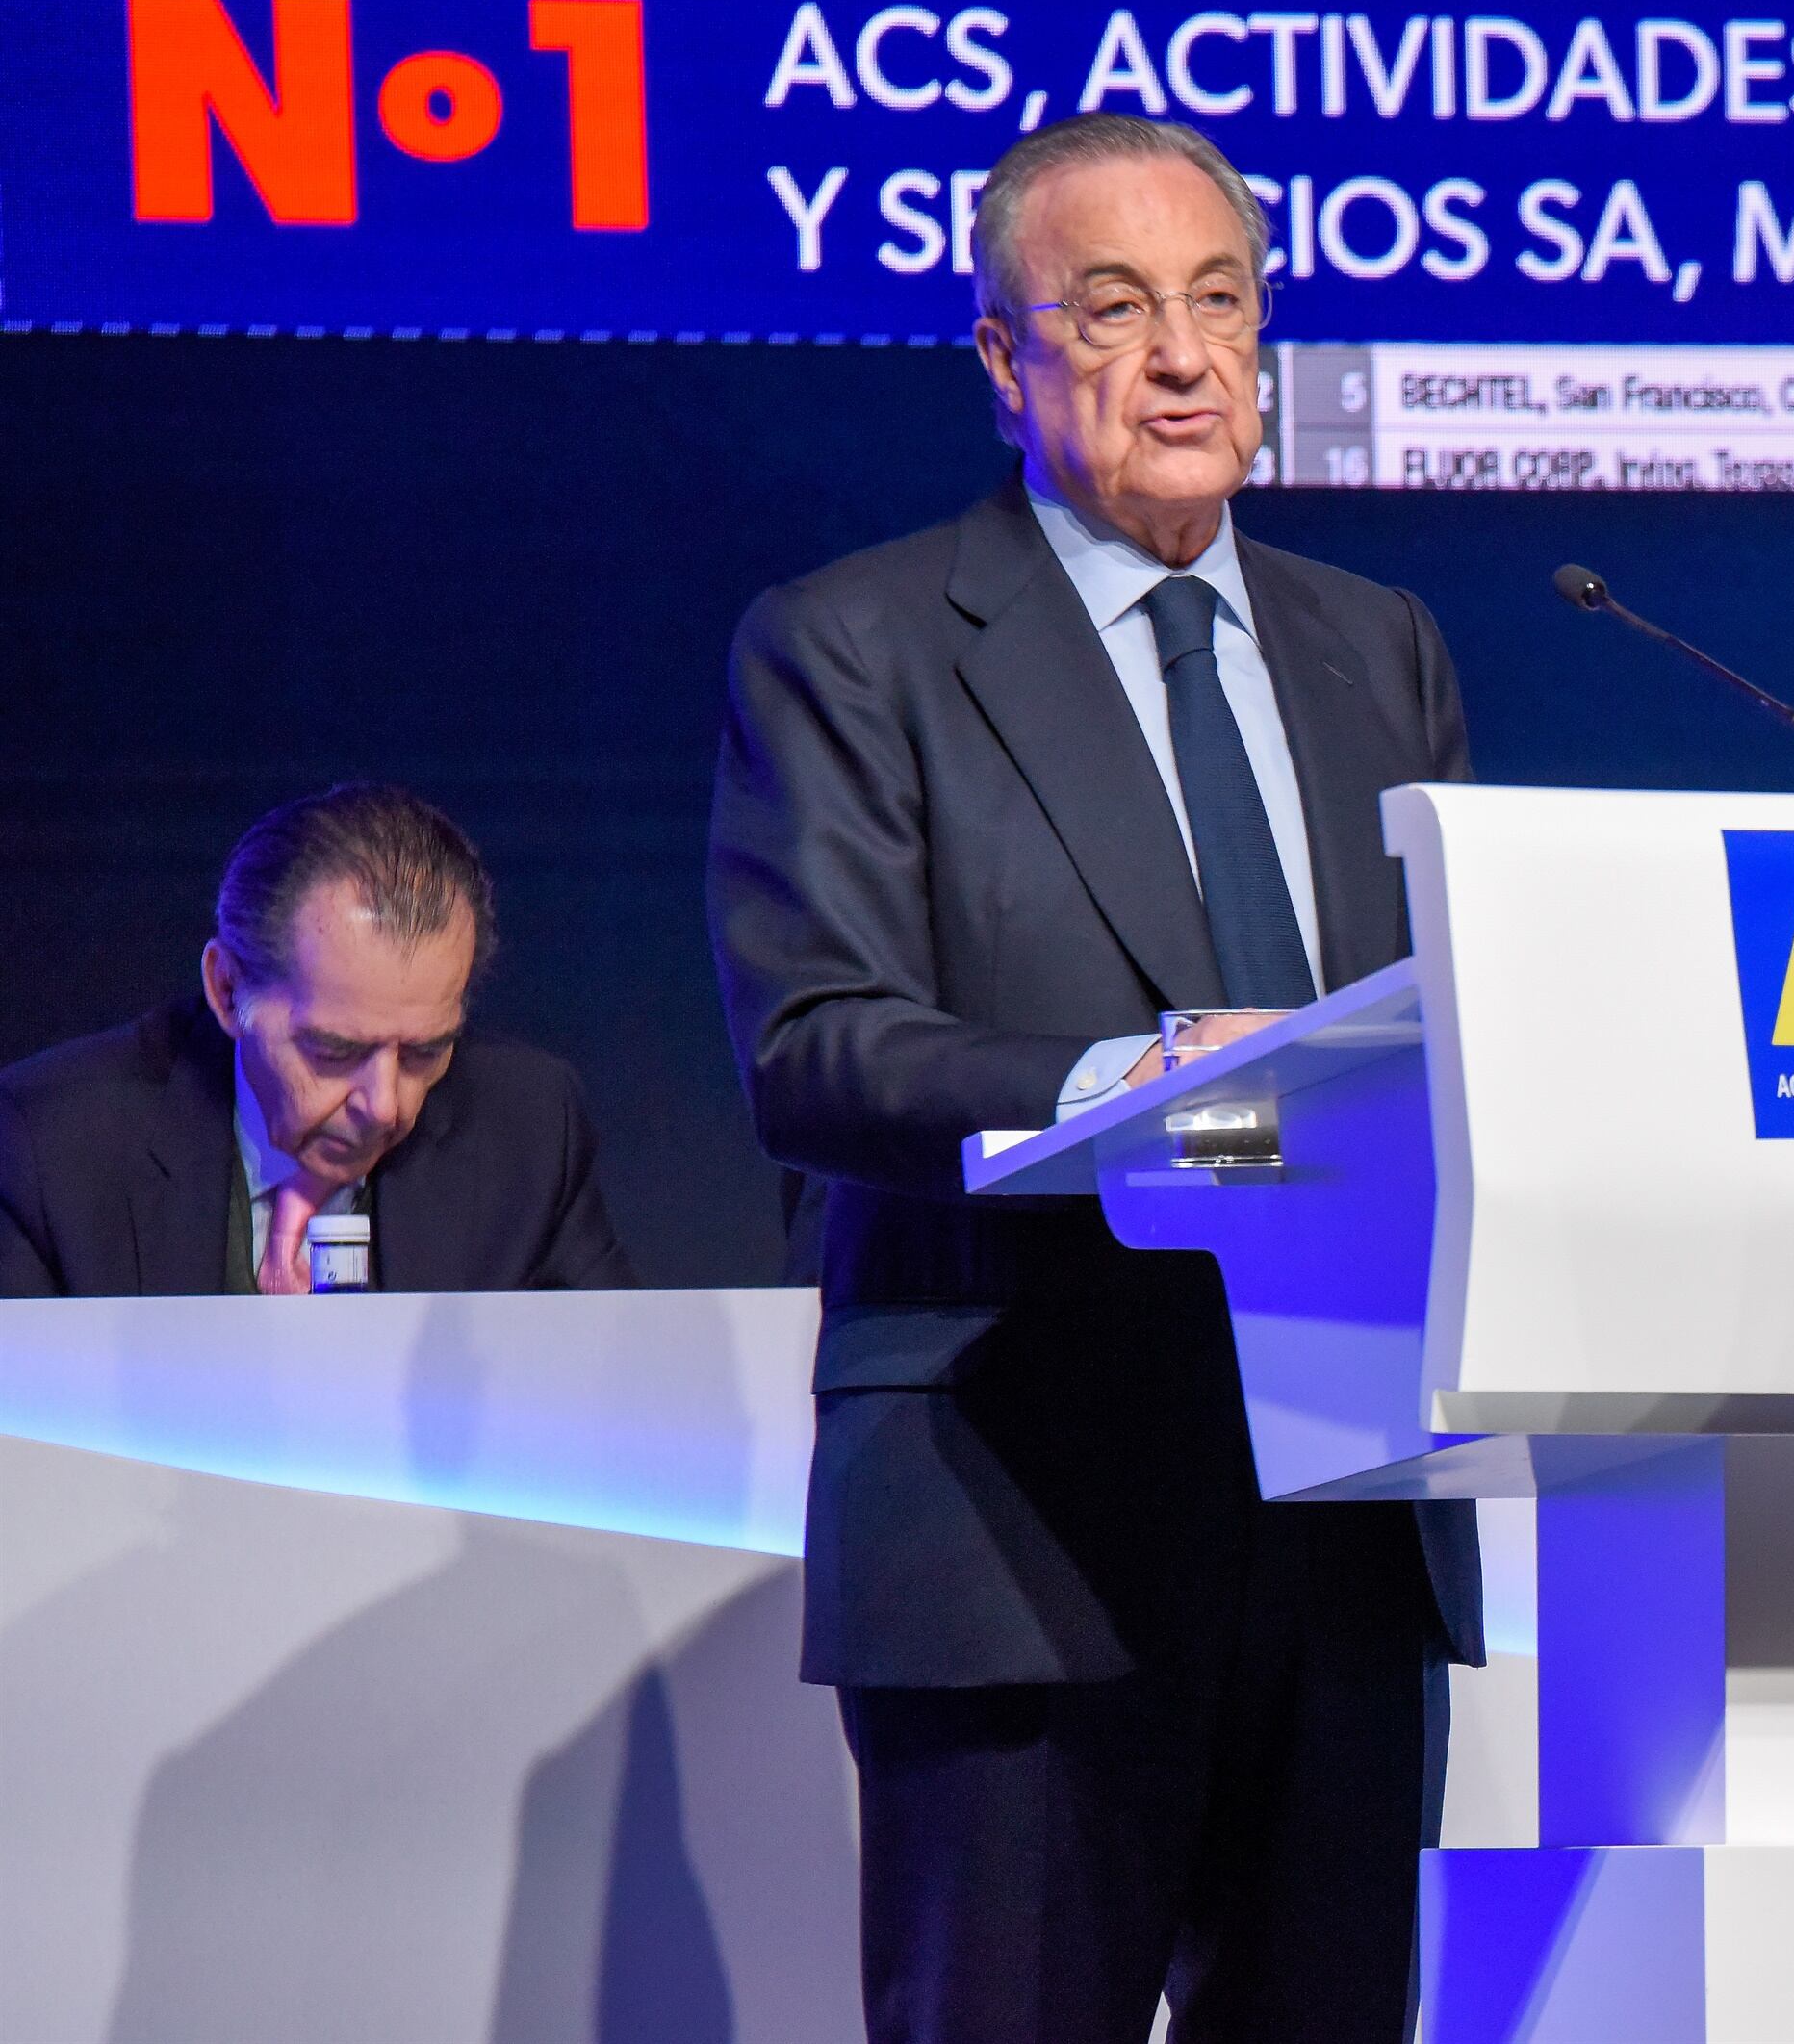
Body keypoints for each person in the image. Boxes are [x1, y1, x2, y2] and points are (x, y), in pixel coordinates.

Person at [705, 113, 1481, 2044]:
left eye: (1221, 302)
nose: (1184, 357)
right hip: (1021, 1511)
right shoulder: (857, 644)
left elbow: (1445, 1020)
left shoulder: (1376, 645)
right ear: (1003, 358)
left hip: (1343, 1510)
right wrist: (1127, 1077)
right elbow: (816, 1047)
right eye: (1115, 309)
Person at [0, 783, 630, 1295]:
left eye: (424, 1052)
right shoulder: (52, 1147)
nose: (384, 1106)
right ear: (228, 992)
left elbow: (609, 1400)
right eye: (335, 1051)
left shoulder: (529, 1130)